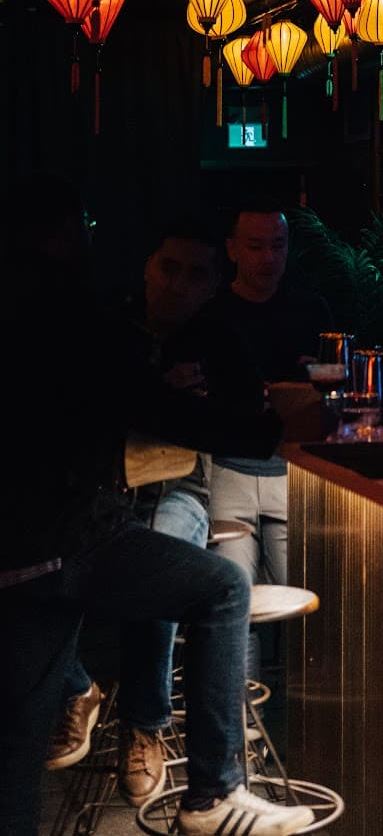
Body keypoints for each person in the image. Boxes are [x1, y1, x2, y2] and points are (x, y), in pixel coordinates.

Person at [0, 173, 323, 836]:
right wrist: (272, 428)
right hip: (67, 529)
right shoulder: (77, 312)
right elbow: (159, 411)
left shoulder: (38, 305)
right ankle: (211, 793)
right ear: (61, 235)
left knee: (16, 755)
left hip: (26, 544)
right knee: (218, 585)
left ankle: (116, 722)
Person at [47, 220, 230, 805]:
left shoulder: (218, 342)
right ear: (148, 267)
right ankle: (76, 686)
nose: (178, 284)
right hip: (99, 492)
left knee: (167, 557)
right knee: (38, 556)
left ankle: (144, 726)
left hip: (176, 487)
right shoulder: (103, 331)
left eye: (195, 275)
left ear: (211, 286)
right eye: (169, 268)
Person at [203, 207, 333, 587]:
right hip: (230, 468)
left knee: (299, 594)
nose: (269, 258)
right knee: (234, 591)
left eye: (278, 246)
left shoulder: (312, 310)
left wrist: (316, 378)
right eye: (256, 246)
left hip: (292, 466)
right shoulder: (212, 315)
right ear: (232, 249)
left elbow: (335, 389)